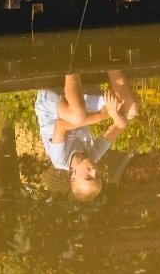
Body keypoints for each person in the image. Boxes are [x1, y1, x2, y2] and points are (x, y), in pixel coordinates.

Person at [34, 71, 139, 202]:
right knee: (130, 111)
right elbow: (120, 126)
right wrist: (114, 113)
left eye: (88, 177)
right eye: (98, 177)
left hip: (51, 104)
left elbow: (61, 126)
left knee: (78, 116)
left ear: (74, 176)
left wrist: (101, 116)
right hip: (77, 102)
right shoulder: (93, 155)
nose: (94, 171)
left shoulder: (59, 159)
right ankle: (113, 61)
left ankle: (72, 63)